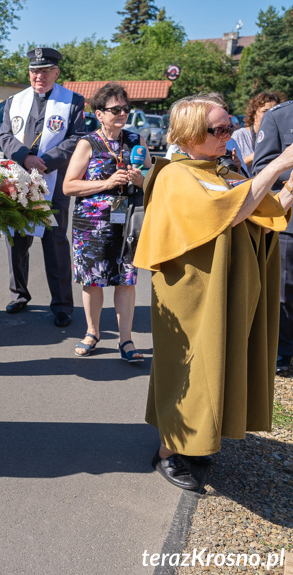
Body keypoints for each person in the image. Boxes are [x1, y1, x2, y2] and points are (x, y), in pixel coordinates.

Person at [134, 94, 293, 491]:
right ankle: (168, 452)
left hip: (222, 288)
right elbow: (226, 211)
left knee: (218, 363)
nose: (228, 134)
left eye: (229, 125)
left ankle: (197, 441)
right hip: (190, 295)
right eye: (218, 129)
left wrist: (288, 183)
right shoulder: (175, 174)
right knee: (188, 368)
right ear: (189, 134)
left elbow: (264, 208)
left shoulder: (219, 170)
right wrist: (277, 164)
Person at [0, 47, 86, 327]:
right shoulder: (14, 100)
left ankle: (62, 305)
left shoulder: (72, 101)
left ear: (56, 73)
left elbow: (77, 139)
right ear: (29, 73)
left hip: (55, 180)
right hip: (19, 177)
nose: (40, 76)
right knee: (16, 240)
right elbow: (4, 135)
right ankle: (19, 294)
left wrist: (45, 161)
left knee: (55, 243)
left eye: (46, 71)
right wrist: (25, 157)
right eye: (35, 71)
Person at [63, 82, 149, 360]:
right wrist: (106, 183)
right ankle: (92, 332)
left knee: (126, 279)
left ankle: (126, 340)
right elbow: (69, 186)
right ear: (99, 114)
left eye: (125, 108)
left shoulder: (136, 140)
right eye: (115, 109)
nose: (122, 114)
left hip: (127, 222)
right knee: (93, 280)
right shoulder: (88, 142)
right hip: (92, 222)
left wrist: (141, 180)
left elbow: (154, 178)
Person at [253, 96, 293, 376]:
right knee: (285, 294)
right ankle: (283, 354)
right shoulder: (280, 116)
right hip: (289, 221)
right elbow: (261, 171)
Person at [233, 92, 285, 174]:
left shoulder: (281, 136)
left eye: (275, 111)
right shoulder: (239, 136)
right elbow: (232, 168)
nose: (271, 115)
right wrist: (257, 155)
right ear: (254, 114)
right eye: (265, 111)